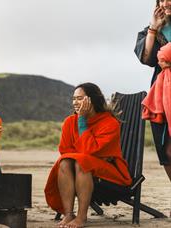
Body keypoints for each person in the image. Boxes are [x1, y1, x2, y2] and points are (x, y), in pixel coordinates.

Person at [44, 83, 132, 228]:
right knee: (65, 161)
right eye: (73, 99)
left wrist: (82, 122)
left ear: (92, 100)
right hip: (84, 166)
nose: (75, 103)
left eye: (80, 98)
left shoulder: (110, 123)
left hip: (111, 173)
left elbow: (89, 151)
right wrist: (85, 154)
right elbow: (65, 151)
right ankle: (68, 214)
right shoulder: (69, 122)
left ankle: (81, 216)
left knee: (81, 162)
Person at [134, 0, 171, 183]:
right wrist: (153, 29)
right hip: (161, 95)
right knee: (166, 150)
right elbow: (146, 58)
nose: (167, 3)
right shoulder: (153, 30)